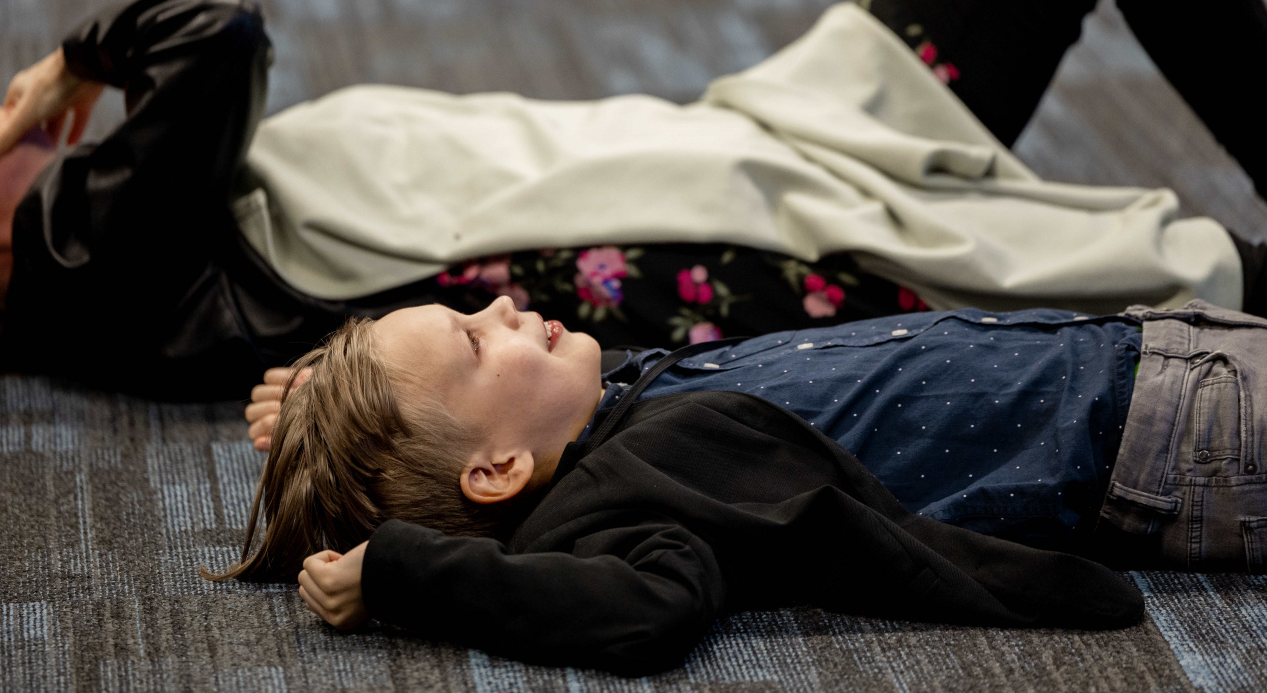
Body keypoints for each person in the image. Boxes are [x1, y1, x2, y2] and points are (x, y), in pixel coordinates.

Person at [0, 0, 1266, 399]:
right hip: (766, 235)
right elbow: (216, 37)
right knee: (1214, 282)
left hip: (749, 144)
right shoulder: (93, 271)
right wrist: (77, 61)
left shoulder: (118, 247)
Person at [210, 291, 1267, 675]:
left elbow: (446, 422)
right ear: (496, 471)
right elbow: (642, 612)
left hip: (1153, 348)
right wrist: (402, 570)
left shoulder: (608, 404)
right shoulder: (628, 496)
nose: (504, 309)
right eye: (478, 343)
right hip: (1182, 437)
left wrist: (328, 406)